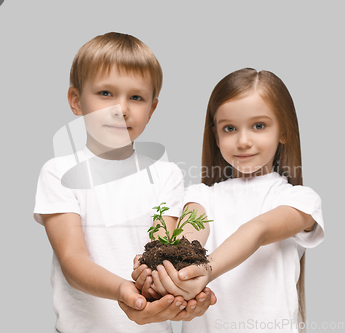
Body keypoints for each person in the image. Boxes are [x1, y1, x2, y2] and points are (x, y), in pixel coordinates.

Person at [33, 32, 215, 333]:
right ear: (76, 101)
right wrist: (122, 288)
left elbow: (164, 251)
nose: (121, 108)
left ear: (152, 109)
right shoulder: (59, 172)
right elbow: (72, 260)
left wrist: (164, 286)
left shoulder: (166, 174)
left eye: (136, 97)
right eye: (105, 93)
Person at [133, 68, 324, 333]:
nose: (243, 141)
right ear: (216, 134)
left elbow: (257, 231)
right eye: (230, 128)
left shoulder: (300, 200)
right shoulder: (199, 195)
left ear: (284, 131)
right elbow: (192, 232)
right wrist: (168, 272)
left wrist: (206, 270)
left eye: (259, 126)